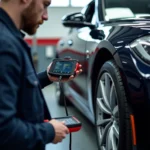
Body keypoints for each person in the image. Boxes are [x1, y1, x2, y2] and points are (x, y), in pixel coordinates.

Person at [0, 0, 82, 150]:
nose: (46, 16)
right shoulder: (5, 46)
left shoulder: (9, 39)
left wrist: (47, 76)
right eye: (44, 5)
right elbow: (4, 130)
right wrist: (49, 131)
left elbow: (15, 89)